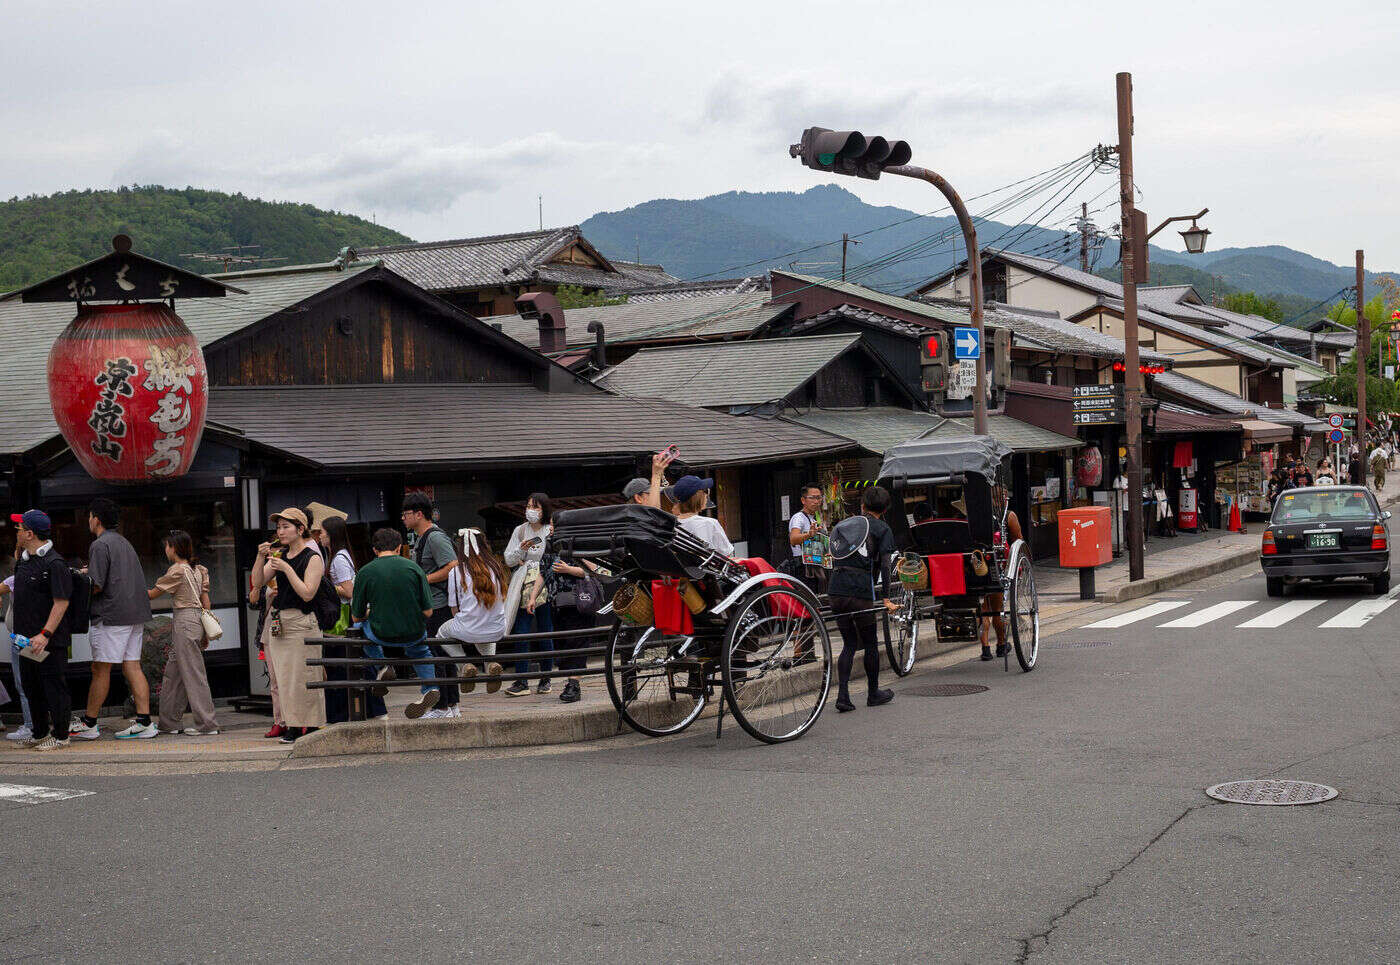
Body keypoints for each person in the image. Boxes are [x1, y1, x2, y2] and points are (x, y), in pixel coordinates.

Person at [70, 497, 155, 741]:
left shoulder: (99, 545)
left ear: (96, 519)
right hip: (135, 613)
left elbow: (96, 585)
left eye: (89, 516)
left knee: (100, 668)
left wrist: (79, 579)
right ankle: (144, 722)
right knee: (132, 666)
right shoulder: (123, 542)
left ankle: (89, 723)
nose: (88, 520)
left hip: (111, 614)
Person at [251, 508, 327, 743]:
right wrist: (260, 557)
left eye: (286, 527)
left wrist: (287, 569)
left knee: (305, 675)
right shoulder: (280, 555)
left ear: (300, 529)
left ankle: (312, 725)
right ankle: (292, 725)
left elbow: (307, 593)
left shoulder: (312, 556)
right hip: (280, 621)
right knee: (283, 678)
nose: (280, 532)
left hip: (303, 621)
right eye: (278, 527)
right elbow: (257, 582)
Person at [351, 527, 440, 719]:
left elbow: (356, 617)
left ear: (374, 550)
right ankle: (430, 687)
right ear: (399, 547)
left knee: (359, 628)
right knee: (422, 652)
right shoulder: (414, 568)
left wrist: (371, 612)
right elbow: (428, 611)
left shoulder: (365, 572)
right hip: (414, 632)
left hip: (380, 633)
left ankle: (383, 665)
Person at [826, 487, 897, 713]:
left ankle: (843, 696)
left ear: (863, 506)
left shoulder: (846, 525)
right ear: (885, 509)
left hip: (836, 588)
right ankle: (873, 693)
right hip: (860, 591)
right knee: (869, 643)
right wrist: (886, 597)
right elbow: (886, 564)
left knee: (848, 642)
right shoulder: (882, 528)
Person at [8, 510, 74, 751]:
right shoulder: (24, 560)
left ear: (30, 533)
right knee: (31, 685)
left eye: (19, 528)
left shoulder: (54, 563)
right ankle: (39, 733)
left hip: (48, 640)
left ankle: (61, 735)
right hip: (26, 640)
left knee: (54, 686)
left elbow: (61, 602)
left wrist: (45, 634)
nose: (16, 532)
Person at [149, 530, 218, 736]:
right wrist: (205, 632)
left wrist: (127, 590)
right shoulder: (198, 569)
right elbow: (205, 601)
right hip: (195, 621)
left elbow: (153, 594)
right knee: (174, 673)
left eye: (167, 546)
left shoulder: (177, 570)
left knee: (193, 673)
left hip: (184, 621)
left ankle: (207, 724)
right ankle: (168, 723)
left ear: (174, 548)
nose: (165, 549)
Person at [319, 513, 386, 722]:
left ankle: (362, 710)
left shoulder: (338, 558)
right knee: (352, 665)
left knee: (345, 666)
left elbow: (349, 591)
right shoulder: (343, 554)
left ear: (331, 535)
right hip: (346, 615)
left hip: (343, 616)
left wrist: (327, 587)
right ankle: (370, 709)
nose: (320, 536)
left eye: (322, 533)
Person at [401, 492, 462, 714]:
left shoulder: (435, 537)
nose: (403, 518)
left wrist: (423, 580)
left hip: (439, 604)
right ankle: (452, 705)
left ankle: (442, 706)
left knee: (437, 656)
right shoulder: (421, 538)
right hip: (434, 603)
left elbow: (453, 565)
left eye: (406, 513)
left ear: (419, 514)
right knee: (443, 655)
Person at [439, 528, 507, 700]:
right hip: (498, 629)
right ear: (484, 545)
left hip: (470, 628)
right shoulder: (496, 567)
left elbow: (454, 610)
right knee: (481, 629)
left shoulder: (457, 571)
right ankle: (490, 662)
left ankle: (464, 665)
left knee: (441, 633)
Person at [503, 494, 555, 697]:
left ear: (544, 510)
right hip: (524, 582)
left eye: (536, 506)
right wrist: (520, 550)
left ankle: (546, 678)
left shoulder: (549, 530)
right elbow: (508, 559)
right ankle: (521, 679)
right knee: (522, 630)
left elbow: (552, 555)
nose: (531, 510)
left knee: (545, 629)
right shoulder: (521, 530)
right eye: (528, 506)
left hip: (545, 580)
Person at [979, 488, 1025, 662]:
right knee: (997, 609)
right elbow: (1019, 541)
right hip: (997, 566)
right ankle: (1000, 644)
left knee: (984, 610)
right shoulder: (1008, 516)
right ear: (1003, 498)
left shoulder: (977, 515)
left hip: (978, 565)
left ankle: (985, 648)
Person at [2, 541, 34, 742]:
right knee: (36, 679)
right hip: (35, 637)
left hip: (21, 639)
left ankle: (30, 725)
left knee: (23, 683)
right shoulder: (37, 575)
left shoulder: (16, 578)